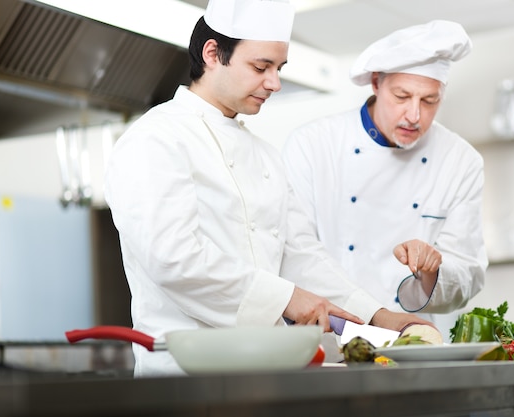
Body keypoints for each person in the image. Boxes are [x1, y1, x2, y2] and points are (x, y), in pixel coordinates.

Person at [104, 0, 434, 376]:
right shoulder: (155, 139)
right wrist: (287, 299)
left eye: (279, 68)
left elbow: (300, 255)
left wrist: (377, 315)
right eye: (261, 67)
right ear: (212, 53)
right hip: (186, 378)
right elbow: (174, 259)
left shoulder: (265, 156)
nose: (274, 83)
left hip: (267, 372)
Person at [282, 20, 488, 341]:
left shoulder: (460, 161)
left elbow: (470, 272)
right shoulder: (313, 145)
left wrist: (434, 272)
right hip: (331, 335)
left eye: (429, 100)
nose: (414, 115)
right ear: (376, 83)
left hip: (413, 338)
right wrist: (376, 316)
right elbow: (297, 252)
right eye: (402, 96)